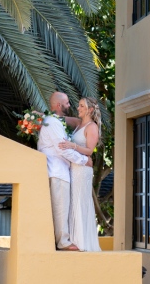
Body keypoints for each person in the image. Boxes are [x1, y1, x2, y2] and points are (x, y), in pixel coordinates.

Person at [37, 91, 92, 251]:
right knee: (61, 207)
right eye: (67, 103)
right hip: (57, 171)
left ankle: (63, 240)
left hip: (59, 171)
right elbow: (63, 149)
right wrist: (84, 161)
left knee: (62, 206)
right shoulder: (53, 123)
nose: (70, 105)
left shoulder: (53, 121)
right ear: (59, 105)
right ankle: (63, 242)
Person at [58, 97, 102, 252]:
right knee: (72, 202)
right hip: (73, 168)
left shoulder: (92, 127)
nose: (78, 108)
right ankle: (74, 240)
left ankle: (83, 243)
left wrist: (72, 145)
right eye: (78, 105)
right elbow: (60, 118)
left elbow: (90, 151)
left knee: (79, 201)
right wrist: (39, 116)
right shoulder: (78, 123)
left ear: (90, 109)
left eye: (82, 106)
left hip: (82, 171)